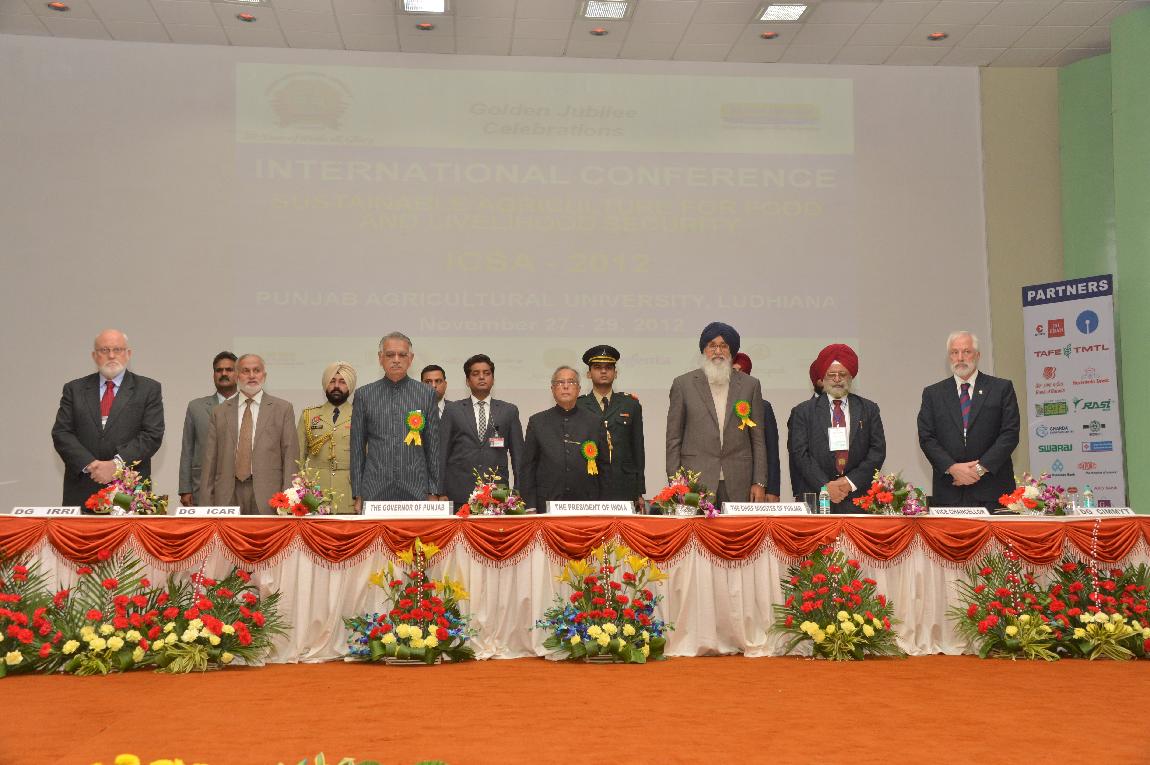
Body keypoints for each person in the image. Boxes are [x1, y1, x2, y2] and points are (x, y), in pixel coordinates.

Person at [666, 322, 779, 506]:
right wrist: (676, 482)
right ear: (704, 350)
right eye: (712, 346)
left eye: (723, 346)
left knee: (738, 527)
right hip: (694, 482)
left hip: (739, 481)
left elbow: (758, 439)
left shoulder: (750, 385)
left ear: (731, 351)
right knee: (696, 526)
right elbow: (673, 439)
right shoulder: (683, 384)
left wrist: (759, 482)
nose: (718, 351)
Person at [51, 329, 165, 508]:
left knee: (128, 529)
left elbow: (152, 435)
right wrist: (90, 465)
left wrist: (116, 465)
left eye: (117, 349)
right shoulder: (74, 389)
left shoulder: (148, 389)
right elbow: (62, 433)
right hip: (82, 488)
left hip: (129, 491)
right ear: (94, 356)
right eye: (104, 350)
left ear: (128, 354)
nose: (111, 355)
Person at [917, 331, 1020, 510]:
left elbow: (1009, 434)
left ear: (978, 355)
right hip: (950, 491)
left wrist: (979, 469)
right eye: (954, 352)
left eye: (966, 351)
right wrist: (952, 468)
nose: (960, 358)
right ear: (949, 357)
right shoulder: (933, 394)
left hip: (994, 491)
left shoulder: (1001, 388)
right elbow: (927, 437)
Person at [788, 344, 886, 513]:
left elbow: (877, 451)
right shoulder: (803, 411)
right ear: (823, 378)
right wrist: (825, 486)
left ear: (851, 377)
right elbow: (800, 454)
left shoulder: (869, 409)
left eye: (842, 374)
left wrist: (850, 482)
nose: (837, 379)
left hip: (858, 498)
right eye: (831, 375)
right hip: (817, 498)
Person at [200, 354, 298, 515]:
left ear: (264, 375)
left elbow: (290, 456)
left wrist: (288, 499)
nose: (252, 375)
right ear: (237, 376)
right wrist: (205, 504)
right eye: (246, 371)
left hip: (270, 495)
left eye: (256, 370)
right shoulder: (220, 412)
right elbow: (210, 460)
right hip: (227, 495)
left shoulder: (282, 409)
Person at [351, 332, 441, 508]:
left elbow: (433, 448)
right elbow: (357, 449)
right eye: (390, 355)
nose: (396, 360)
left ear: (411, 359)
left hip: (417, 488)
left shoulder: (426, 394)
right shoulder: (364, 395)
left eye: (402, 355)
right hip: (374, 488)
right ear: (380, 358)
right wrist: (357, 493)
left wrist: (434, 490)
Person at [438, 354, 524, 507]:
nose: (482, 377)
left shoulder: (508, 411)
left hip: (497, 493)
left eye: (487, 373)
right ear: (467, 381)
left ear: (493, 379)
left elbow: (518, 455)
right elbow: (442, 452)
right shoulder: (452, 410)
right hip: (458, 492)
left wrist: (519, 490)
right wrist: (440, 491)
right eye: (475, 373)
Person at [521, 366, 607, 512]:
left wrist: (605, 505)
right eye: (560, 382)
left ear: (579, 389)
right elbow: (528, 467)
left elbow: (604, 467)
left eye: (571, 382)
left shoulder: (594, 422)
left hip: (588, 504)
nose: (566, 386)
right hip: (547, 503)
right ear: (552, 389)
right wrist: (530, 506)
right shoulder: (537, 422)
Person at [577, 345, 645, 510]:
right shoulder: (579, 405)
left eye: (608, 367)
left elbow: (638, 449)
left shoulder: (630, 405)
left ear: (616, 373)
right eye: (597, 367)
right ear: (588, 373)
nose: (603, 371)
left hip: (623, 484)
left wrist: (639, 491)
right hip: (589, 483)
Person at [297, 362, 357, 514]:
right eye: (332, 381)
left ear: (350, 386)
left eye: (342, 382)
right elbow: (298, 458)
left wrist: (362, 496)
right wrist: (299, 491)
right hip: (315, 493)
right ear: (325, 385)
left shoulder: (359, 415)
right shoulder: (309, 415)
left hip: (348, 493)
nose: (336, 386)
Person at [178, 351, 237, 506]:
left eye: (229, 370)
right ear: (213, 375)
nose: (224, 373)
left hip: (240, 488)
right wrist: (185, 488)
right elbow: (187, 449)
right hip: (203, 486)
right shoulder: (196, 407)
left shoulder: (249, 406)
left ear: (238, 374)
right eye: (219, 370)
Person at [786, 359, 824, 500]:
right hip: (810, 489)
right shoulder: (801, 411)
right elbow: (796, 453)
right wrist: (797, 491)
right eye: (822, 377)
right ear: (815, 381)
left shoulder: (851, 410)